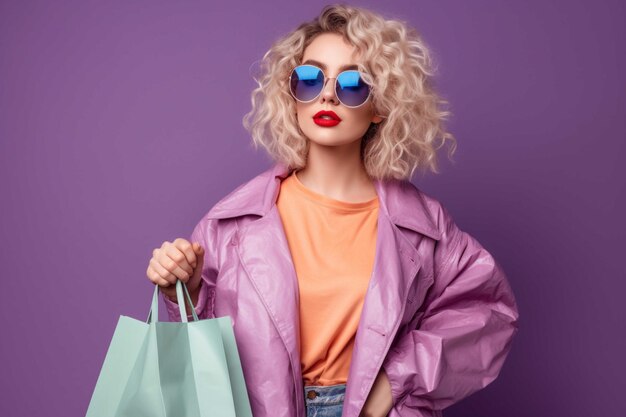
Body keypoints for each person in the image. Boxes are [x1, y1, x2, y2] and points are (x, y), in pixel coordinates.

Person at [145, 4, 519, 417]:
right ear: (291, 93)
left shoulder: (423, 226)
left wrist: (393, 385)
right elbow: (207, 367)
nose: (326, 94)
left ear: (381, 106)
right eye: (309, 78)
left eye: (353, 83)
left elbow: (487, 314)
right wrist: (186, 293)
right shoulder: (230, 223)